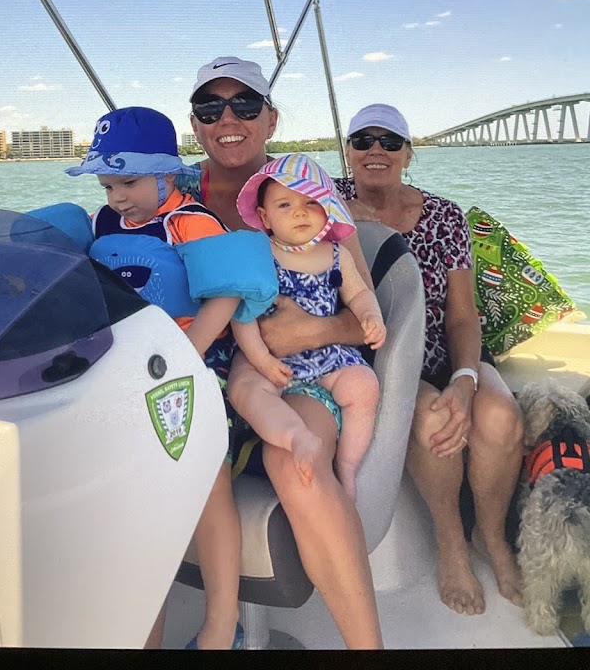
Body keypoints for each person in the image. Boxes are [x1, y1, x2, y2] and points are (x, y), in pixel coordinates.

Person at [151, 56, 384, 651]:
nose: (227, 119)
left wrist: (309, 332)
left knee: (295, 465)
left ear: (271, 118)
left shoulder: (307, 192)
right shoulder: (165, 194)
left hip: (294, 375)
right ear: (195, 124)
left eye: (245, 104)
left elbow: (364, 313)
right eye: (210, 108)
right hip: (196, 372)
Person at [65, 106, 274, 650]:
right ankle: (143, 633)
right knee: (134, 495)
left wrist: (184, 356)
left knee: (209, 481)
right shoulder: (102, 223)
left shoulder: (191, 221)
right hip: (125, 369)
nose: (117, 197)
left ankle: (219, 626)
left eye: (129, 182)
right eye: (108, 185)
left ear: (165, 175)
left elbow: (226, 293)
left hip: (191, 365)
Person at [334, 103, 525, 617]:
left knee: (501, 418)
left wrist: (465, 379)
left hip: (447, 348)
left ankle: (492, 537)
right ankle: (452, 542)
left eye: (390, 142)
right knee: (433, 419)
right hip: (384, 358)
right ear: (348, 152)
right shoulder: (323, 203)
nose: (376, 151)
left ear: (408, 154)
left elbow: (463, 316)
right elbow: (261, 203)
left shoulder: (444, 216)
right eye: (363, 141)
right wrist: (342, 215)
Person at [228, 154, 386, 500]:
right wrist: (262, 360)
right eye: (285, 205)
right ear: (265, 217)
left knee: (364, 386)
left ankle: (347, 466)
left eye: (311, 202)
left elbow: (359, 293)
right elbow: (242, 314)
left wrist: (370, 316)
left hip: (327, 355)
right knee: (246, 389)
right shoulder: (259, 255)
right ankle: (293, 437)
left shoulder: (336, 254)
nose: (300, 212)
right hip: (267, 356)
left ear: (328, 209)